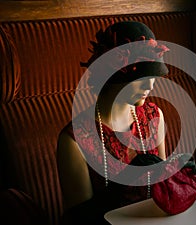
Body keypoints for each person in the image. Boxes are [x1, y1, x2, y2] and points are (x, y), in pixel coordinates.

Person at [56, 21, 170, 225]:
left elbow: (162, 194)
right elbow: (82, 220)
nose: (150, 85)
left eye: (153, 75)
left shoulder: (154, 117)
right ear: (113, 72)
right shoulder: (74, 141)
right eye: (140, 75)